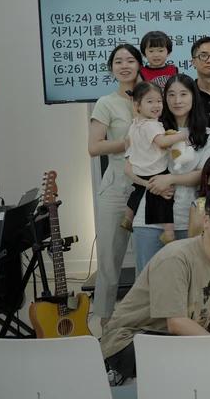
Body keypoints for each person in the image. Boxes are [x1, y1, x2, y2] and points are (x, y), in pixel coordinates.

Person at [101, 188, 210, 385]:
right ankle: (120, 377)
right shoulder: (177, 257)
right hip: (128, 340)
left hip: (171, 339)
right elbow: (177, 323)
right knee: (201, 364)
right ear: (206, 220)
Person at [131, 74, 210, 271]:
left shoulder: (206, 134)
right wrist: (151, 184)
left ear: (194, 96)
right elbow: (130, 167)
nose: (177, 100)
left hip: (188, 218)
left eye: (183, 94)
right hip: (149, 218)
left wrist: (170, 179)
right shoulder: (150, 128)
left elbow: (204, 174)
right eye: (171, 94)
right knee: (147, 279)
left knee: (188, 280)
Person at [87, 44, 141, 326]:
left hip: (148, 187)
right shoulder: (105, 103)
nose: (124, 66)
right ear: (111, 68)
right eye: (118, 61)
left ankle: (144, 323)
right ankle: (105, 324)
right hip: (117, 187)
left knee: (148, 260)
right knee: (109, 261)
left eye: (130, 60)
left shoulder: (152, 96)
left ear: (139, 64)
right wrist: (127, 143)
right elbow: (94, 147)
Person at [121, 82, 184, 243]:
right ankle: (168, 232)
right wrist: (182, 135)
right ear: (137, 106)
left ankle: (128, 217)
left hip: (139, 169)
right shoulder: (151, 125)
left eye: (159, 101)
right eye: (150, 101)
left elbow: (129, 144)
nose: (156, 105)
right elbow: (162, 142)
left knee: (137, 191)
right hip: (155, 169)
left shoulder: (135, 124)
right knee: (166, 196)